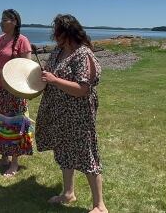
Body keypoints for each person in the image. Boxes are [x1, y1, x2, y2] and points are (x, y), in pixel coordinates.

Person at [35, 14, 106, 213]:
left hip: (78, 114)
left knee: (87, 154)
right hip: (59, 111)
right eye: (54, 32)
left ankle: (99, 205)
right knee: (64, 151)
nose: (54, 35)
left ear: (69, 32)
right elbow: (48, 76)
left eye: (58, 31)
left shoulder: (82, 54)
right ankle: (68, 193)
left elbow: (83, 88)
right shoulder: (58, 51)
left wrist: (54, 80)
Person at [0, 9, 33, 176]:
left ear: (15, 22)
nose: (2, 22)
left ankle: (14, 163)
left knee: (13, 125)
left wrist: (5, 72)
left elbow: (27, 68)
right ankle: (4, 158)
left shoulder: (22, 40)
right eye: (1, 19)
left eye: (6, 19)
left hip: (12, 90)